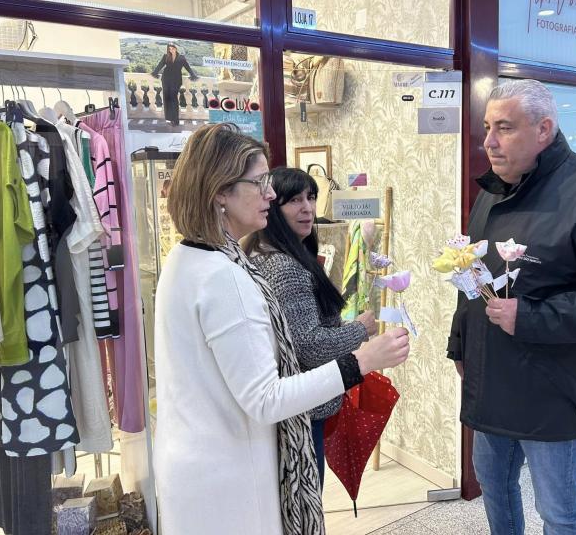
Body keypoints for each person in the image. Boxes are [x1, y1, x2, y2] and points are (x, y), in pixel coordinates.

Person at [153, 123, 410, 535]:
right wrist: (360, 361)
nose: (271, 195)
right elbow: (267, 399)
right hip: (227, 473)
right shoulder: (225, 277)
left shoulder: (186, 258)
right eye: (260, 183)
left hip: (196, 460)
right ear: (220, 191)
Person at [446, 80, 576, 535]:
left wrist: (530, 317)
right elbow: (475, 277)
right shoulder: (492, 193)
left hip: (554, 390)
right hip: (490, 381)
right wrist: (460, 345)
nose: (488, 142)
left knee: (558, 510)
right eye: (487, 127)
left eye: (504, 128)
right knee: (494, 485)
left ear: (543, 129)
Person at [244, 167, 378, 489]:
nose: (307, 208)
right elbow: (309, 344)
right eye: (294, 200)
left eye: (311, 197)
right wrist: (361, 330)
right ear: (273, 207)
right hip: (301, 409)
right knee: (305, 496)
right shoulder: (283, 265)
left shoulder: (269, 253)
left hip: (290, 407)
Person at [151, 42, 198, 126]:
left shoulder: (181, 58)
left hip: (176, 80)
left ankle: (175, 120)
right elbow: (160, 65)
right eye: (169, 49)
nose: (171, 50)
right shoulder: (166, 56)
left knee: (174, 99)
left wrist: (193, 74)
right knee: (167, 98)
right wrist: (155, 72)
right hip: (166, 79)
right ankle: (169, 118)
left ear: (176, 48)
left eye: (172, 48)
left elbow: (187, 67)